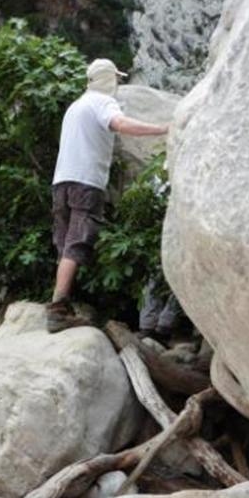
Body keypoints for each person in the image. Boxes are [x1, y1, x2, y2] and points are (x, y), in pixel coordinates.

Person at [46, 57, 169, 333]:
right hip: (85, 183)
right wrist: (163, 129)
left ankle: (61, 304)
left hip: (61, 183)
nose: (118, 84)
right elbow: (121, 124)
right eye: (117, 79)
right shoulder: (102, 101)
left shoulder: (75, 106)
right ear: (109, 79)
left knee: (65, 246)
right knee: (77, 244)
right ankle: (57, 310)